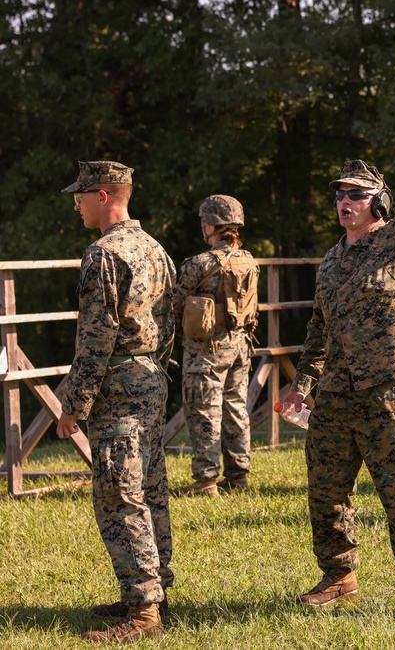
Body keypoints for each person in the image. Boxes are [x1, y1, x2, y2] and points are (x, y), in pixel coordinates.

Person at [282, 68, 395, 622]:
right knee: (325, 490)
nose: (344, 201)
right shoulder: (333, 259)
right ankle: (339, 576)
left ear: (377, 201)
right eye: (339, 194)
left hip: (391, 389)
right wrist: (301, 386)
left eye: (356, 194)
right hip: (336, 395)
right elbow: (318, 330)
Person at [56, 161, 175, 643]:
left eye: (81, 195)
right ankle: (150, 592)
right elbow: (169, 324)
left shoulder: (104, 254)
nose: (76, 203)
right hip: (151, 379)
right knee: (149, 489)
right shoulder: (155, 248)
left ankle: (144, 611)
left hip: (118, 387)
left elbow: (96, 337)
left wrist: (74, 404)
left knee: (119, 496)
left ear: (103, 195)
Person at [172, 195, 259, 496]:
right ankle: (238, 476)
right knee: (236, 408)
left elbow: (176, 304)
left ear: (210, 225)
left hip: (206, 350)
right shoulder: (248, 260)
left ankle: (206, 480)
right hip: (240, 345)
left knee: (203, 411)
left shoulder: (199, 264)